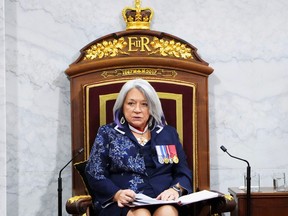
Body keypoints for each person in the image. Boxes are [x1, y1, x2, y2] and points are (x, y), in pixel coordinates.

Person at [85, 78, 192, 216]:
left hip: (163, 200)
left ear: (152, 107)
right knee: (141, 214)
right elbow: (95, 172)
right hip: (124, 202)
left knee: (167, 212)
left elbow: (183, 171)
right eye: (131, 103)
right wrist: (116, 194)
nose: (137, 110)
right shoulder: (107, 133)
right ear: (122, 106)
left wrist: (175, 190)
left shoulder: (168, 133)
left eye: (144, 104)